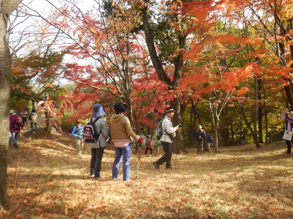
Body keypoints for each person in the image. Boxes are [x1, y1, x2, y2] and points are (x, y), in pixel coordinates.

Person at [110, 102, 144, 181]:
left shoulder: (112, 118)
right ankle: (126, 178)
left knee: (117, 159)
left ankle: (114, 176)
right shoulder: (125, 119)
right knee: (126, 160)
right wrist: (137, 137)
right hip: (125, 142)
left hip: (116, 142)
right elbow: (129, 131)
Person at [89, 104, 109, 179]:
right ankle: (97, 174)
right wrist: (107, 137)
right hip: (99, 142)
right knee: (98, 158)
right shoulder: (102, 121)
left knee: (93, 157)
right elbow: (105, 133)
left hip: (92, 141)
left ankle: (92, 172)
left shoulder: (90, 119)